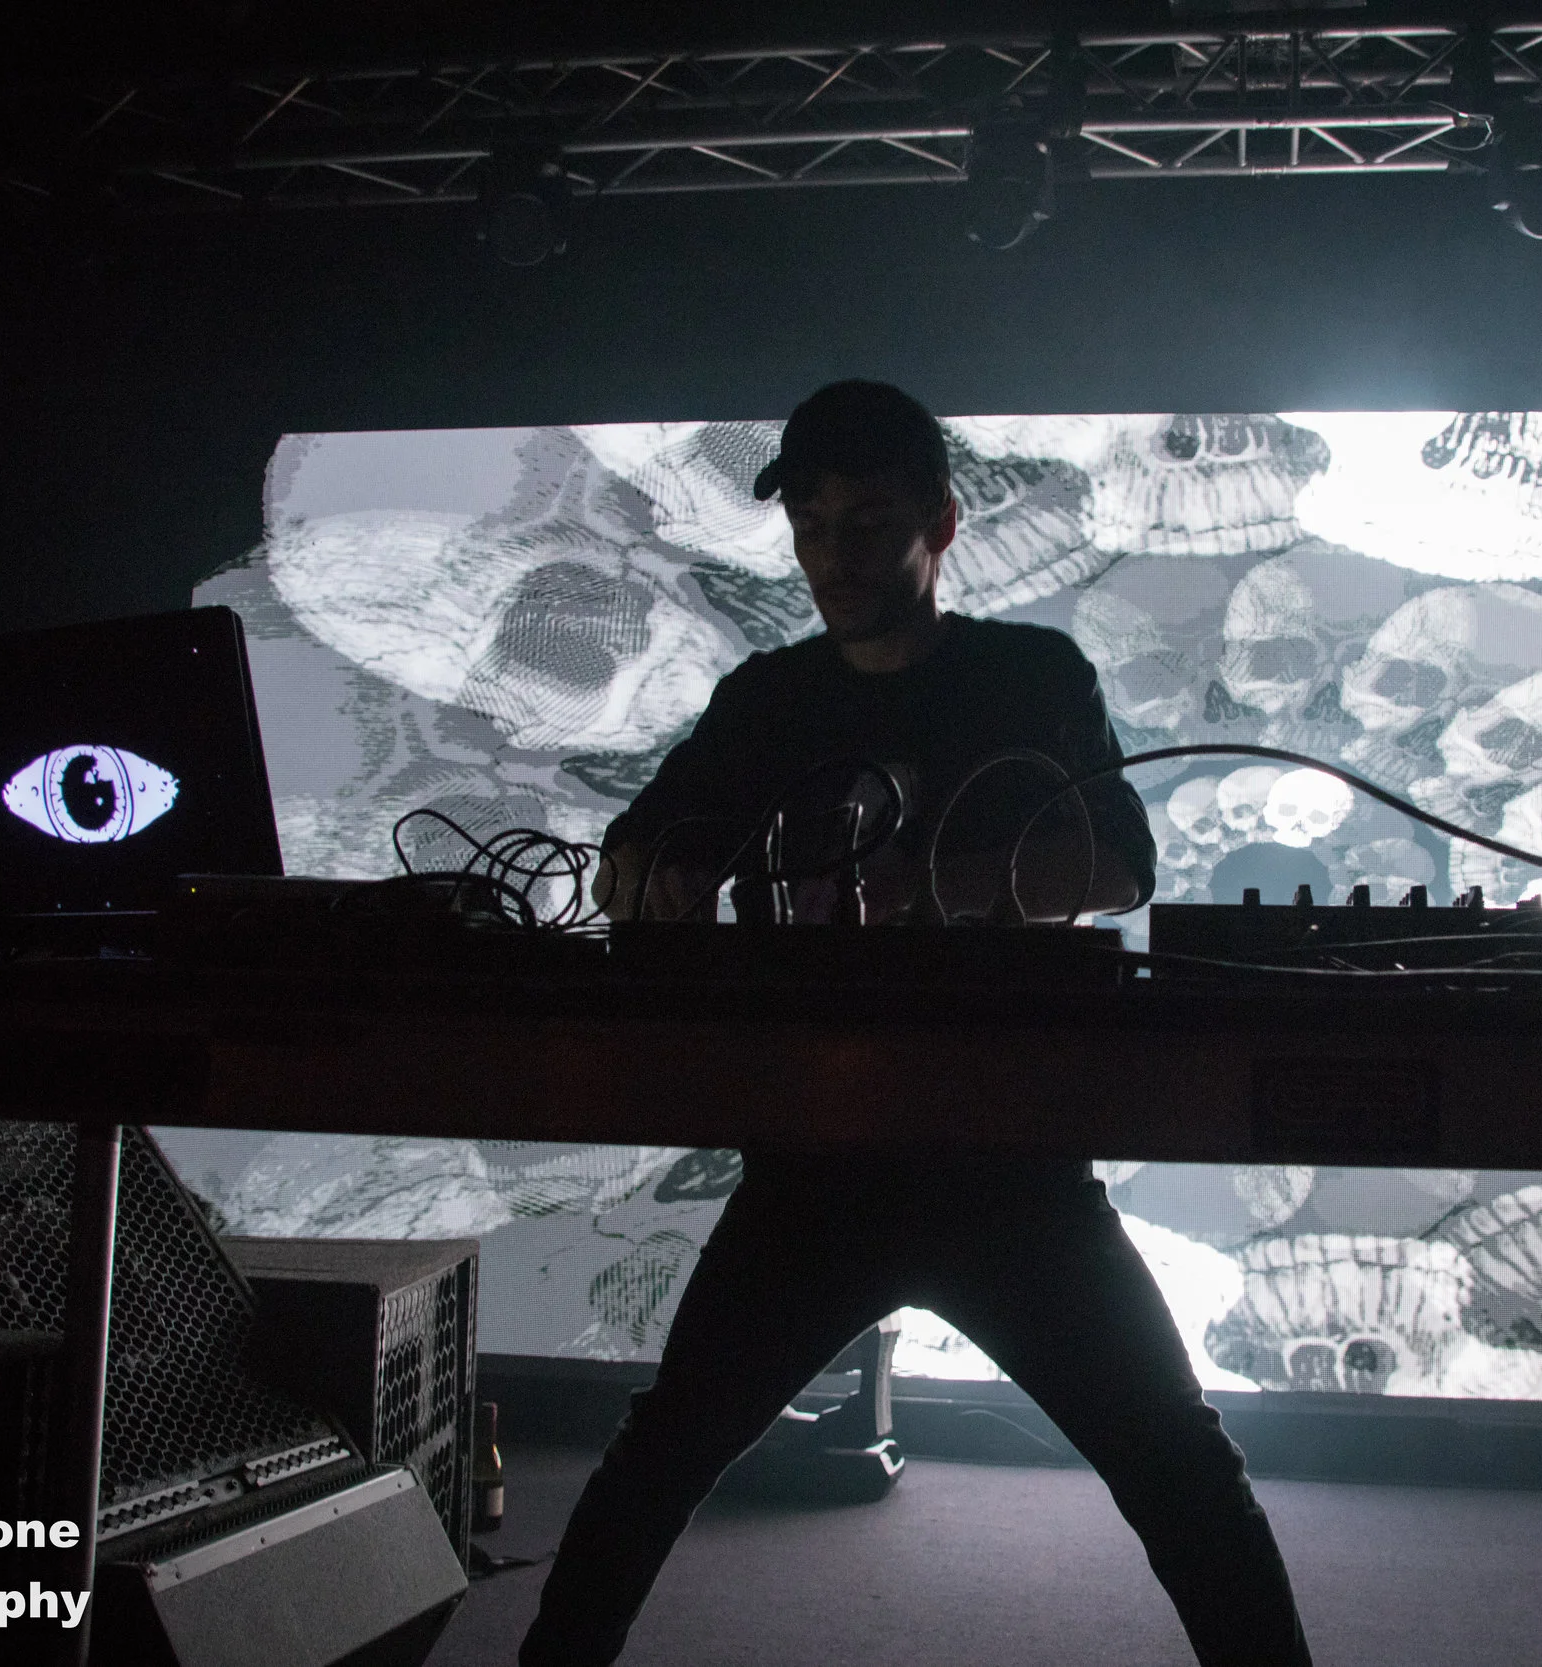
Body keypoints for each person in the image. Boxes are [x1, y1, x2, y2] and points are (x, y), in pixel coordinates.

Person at [520, 381, 1314, 1667]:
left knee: (1177, 1463)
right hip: (813, 1162)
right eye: (811, 525)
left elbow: (1122, 864)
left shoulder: (1031, 675)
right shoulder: (765, 700)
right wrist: (651, 875)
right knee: (661, 1454)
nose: (832, 556)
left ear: (940, 524)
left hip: (1006, 1161)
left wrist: (928, 883)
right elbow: (635, 856)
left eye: (866, 523)